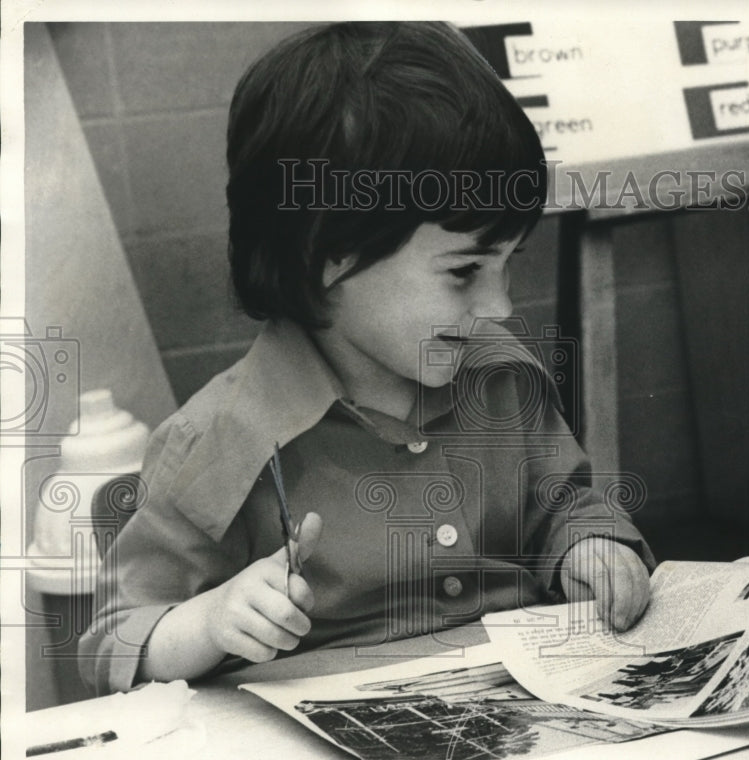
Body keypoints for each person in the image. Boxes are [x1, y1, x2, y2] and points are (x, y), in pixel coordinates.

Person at [80, 22, 654, 695]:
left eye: (509, 264)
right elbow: (114, 642)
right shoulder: (215, 444)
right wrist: (208, 623)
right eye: (466, 270)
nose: (499, 306)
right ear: (332, 257)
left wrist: (587, 545)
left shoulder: (502, 377)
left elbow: (559, 503)